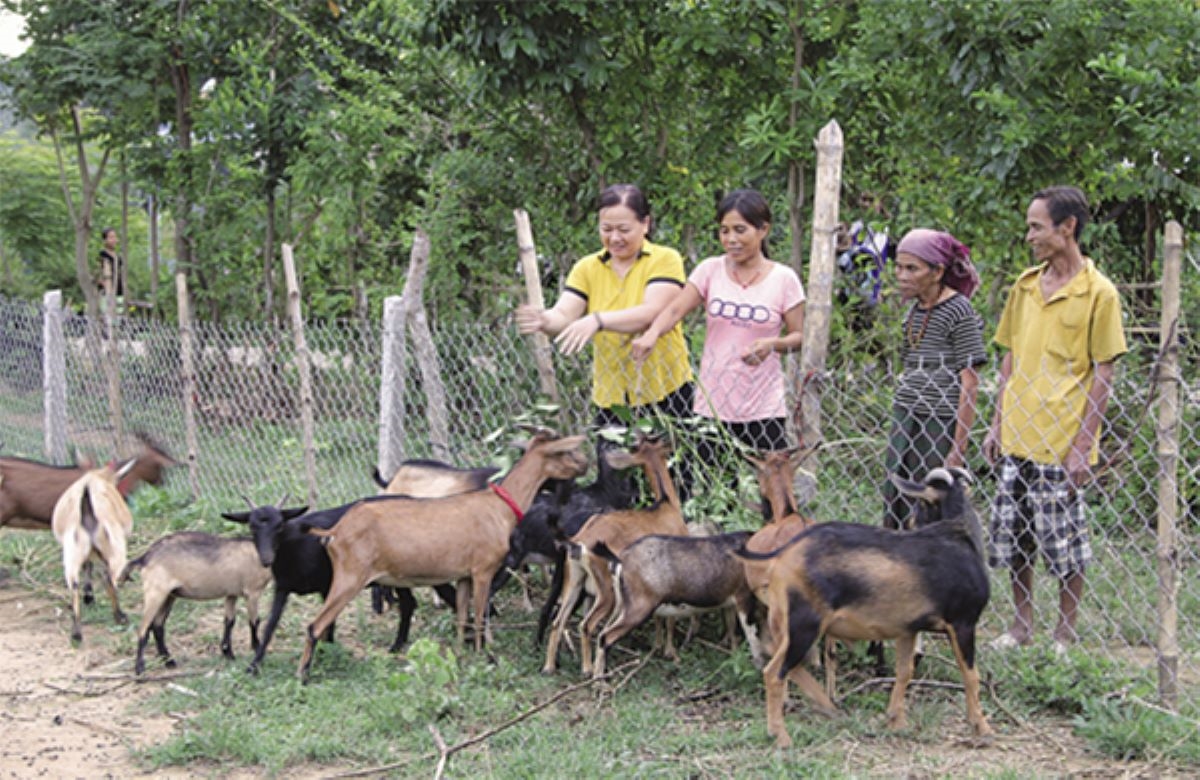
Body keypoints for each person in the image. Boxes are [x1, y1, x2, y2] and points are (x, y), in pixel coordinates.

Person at [983, 185, 1127, 653]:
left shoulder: (1098, 294)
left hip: (1062, 438)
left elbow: (1103, 370)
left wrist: (1084, 443)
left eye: (1037, 227)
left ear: (1068, 228)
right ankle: (1021, 625)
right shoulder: (1024, 287)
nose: (1030, 236)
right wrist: (996, 422)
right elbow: (1009, 359)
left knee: (1065, 547)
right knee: (1016, 538)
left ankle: (1064, 634)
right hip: (1018, 434)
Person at [630, 189, 804, 459]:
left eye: (740, 230)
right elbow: (676, 309)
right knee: (718, 490)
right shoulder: (710, 270)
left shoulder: (784, 279)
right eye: (724, 231)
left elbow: (799, 337)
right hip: (712, 404)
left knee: (771, 488)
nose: (731, 240)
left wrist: (773, 344)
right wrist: (652, 333)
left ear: (763, 230)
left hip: (764, 405)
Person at [515, 183, 694, 430]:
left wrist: (597, 320)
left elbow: (652, 313)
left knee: (672, 468)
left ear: (645, 224)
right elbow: (565, 314)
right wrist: (545, 321)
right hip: (613, 398)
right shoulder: (587, 268)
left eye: (624, 229)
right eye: (606, 229)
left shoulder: (665, 260)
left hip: (666, 392)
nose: (614, 238)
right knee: (612, 466)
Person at [882, 228, 986, 530]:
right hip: (906, 415)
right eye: (899, 267)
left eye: (912, 268)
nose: (901, 275)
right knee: (897, 495)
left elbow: (969, 381)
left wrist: (958, 449)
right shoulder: (913, 312)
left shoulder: (958, 311)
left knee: (930, 506)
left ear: (938, 271)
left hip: (938, 421)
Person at [97, 227, 125, 303]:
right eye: (111, 237)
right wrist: (106, 286)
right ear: (105, 240)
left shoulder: (118, 256)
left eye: (115, 237)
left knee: (120, 313)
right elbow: (97, 275)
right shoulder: (102, 255)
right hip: (107, 293)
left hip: (119, 292)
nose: (114, 240)